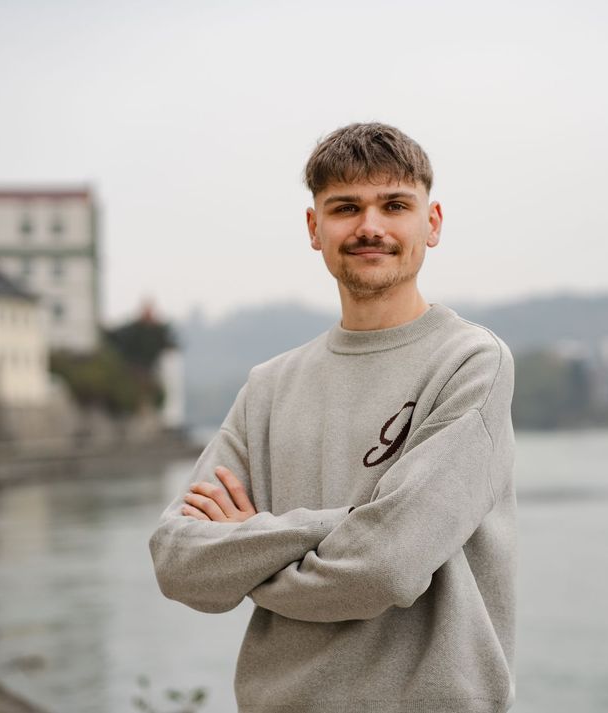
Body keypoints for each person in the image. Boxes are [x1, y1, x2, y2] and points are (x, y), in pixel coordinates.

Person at [149, 122, 517, 713]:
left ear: (433, 222)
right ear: (314, 228)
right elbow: (177, 560)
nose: (370, 226)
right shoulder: (268, 386)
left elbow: (385, 568)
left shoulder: (471, 363)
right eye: (345, 207)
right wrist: (356, 524)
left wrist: (247, 543)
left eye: (394, 205)